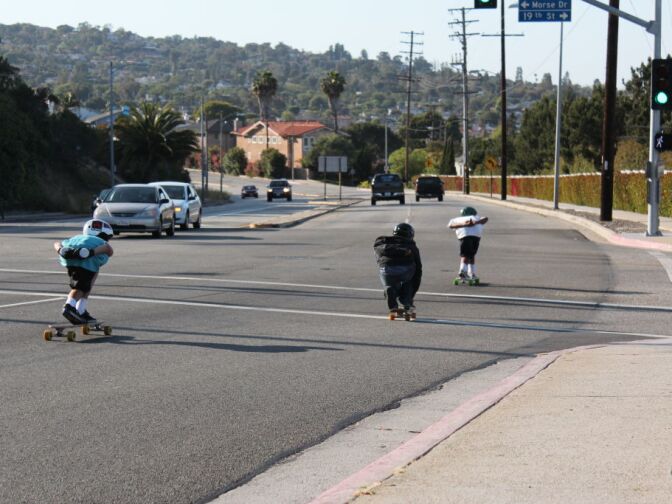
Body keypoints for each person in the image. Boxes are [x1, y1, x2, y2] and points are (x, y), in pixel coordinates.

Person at [53, 219, 114, 324]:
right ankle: (69, 306)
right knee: (80, 288)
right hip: (86, 260)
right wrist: (92, 252)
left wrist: (60, 249)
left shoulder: (77, 237)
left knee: (87, 283)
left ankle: (80, 310)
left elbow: (56, 243)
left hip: (70, 259)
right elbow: (108, 249)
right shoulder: (98, 241)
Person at [374, 223, 422, 317]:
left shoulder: (383, 242)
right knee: (409, 281)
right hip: (406, 271)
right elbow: (419, 268)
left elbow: (378, 257)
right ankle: (406, 302)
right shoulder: (411, 246)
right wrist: (412, 293)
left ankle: (392, 305)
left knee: (389, 285)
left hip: (386, 270)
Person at [448, 206, 488, 282]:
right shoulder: (476, 217)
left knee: (466, 254)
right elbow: (486, 218)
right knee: (471, 255)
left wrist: (469, 224)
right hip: (476, 237)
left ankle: (463, 272)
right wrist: (468, 224)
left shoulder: (458, 219)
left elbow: (450, 225)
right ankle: (471, 273)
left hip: (465, 236)